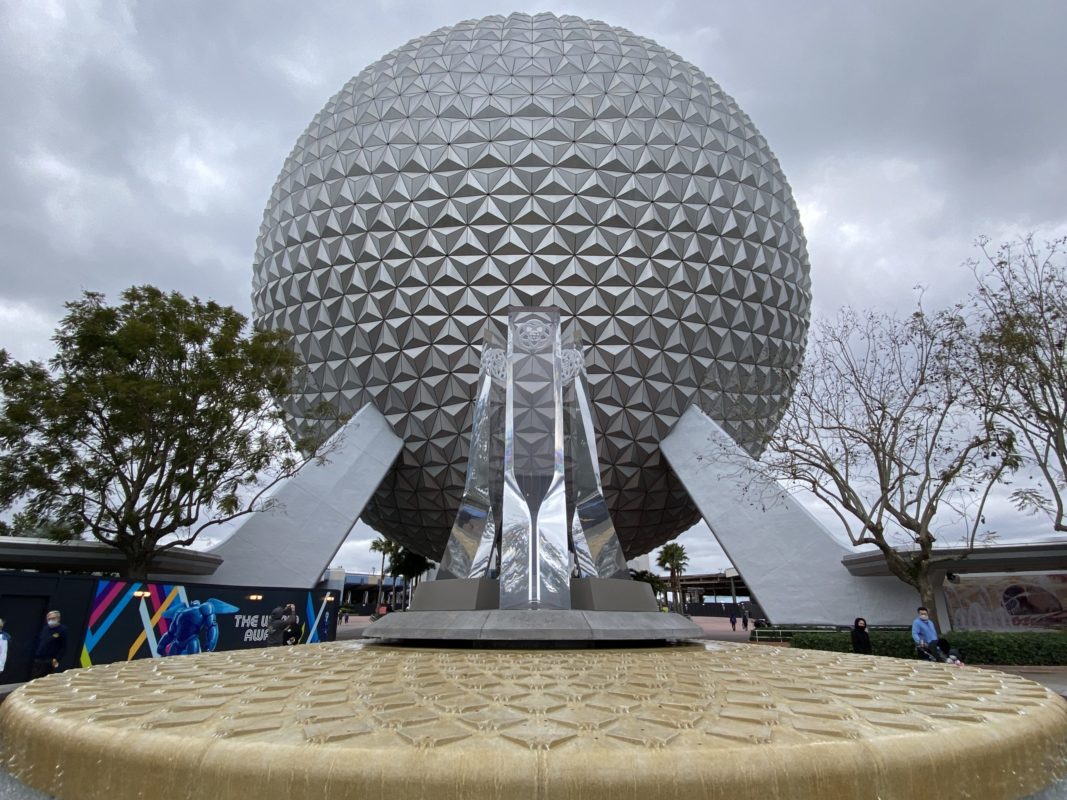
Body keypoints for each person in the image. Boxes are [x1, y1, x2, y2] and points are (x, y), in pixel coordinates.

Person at [31, 610, 68, 679]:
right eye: (49, 619)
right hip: (38, 658)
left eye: (53, 618)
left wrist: (57, 659)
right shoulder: (45, 628)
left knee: (45, 678)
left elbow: (63, 646)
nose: (50, 620)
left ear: (58, 618)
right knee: (34, 678)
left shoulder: (62, 630)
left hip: (50, 659)